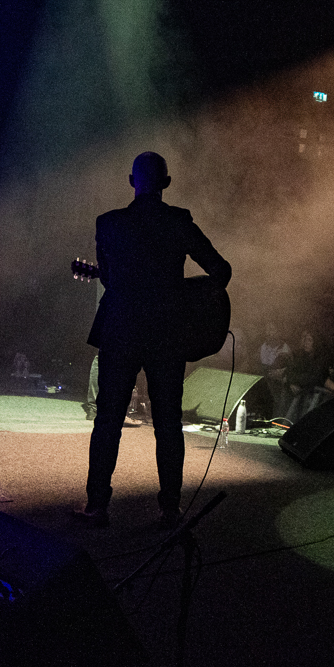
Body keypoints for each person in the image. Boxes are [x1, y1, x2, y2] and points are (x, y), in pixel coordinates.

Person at [74, 152, 231, 528]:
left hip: (121, 330)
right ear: (167, 183)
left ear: (131, 182)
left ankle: (97, 506)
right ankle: (170, 508)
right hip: (167, 335)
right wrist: (188, 298)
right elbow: (221, 270)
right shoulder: (179, 221)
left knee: (107, 421)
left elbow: (111, 279)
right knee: (167, 423)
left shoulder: (108, 224)